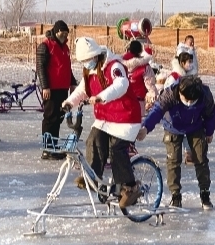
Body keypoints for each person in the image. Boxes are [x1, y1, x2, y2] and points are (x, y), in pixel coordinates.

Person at [62, 36, 142, 208]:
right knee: (93, 140)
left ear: (95, 55)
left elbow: (121, 84)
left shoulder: (114, 66)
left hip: (126, 117)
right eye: (82, 61)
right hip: (106, 118)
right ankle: (92, 177)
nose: (86, 63)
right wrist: (69, 103)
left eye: (87, 60)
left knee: (116, 149)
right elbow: (82, 90)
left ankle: (130, 187)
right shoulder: (89, 71)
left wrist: (101, 96)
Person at [137, 76, 215, 210]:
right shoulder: (170, 94)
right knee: (173, 161)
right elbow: (157, 111)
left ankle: (205, 193)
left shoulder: (204, 94)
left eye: (192, 101)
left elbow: (211, 113)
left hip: (196, 127)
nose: (188, 102)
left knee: (201, 159)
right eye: (186, 99)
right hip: (172, 127)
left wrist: (209, 132)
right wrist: (146, 128)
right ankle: (175, 195)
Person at [36, 20, 77, 160]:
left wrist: (72, 83)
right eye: (62, 32)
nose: (64, 35)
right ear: (56, 31)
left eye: (66, 33)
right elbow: (40, 68)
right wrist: (45, 86)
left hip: (62, 88)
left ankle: (53, 146)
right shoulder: (45, 46)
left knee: (58, 118)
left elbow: (67, 67)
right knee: (50, 118)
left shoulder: (65, 48)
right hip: (51, 89)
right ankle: (47, 149)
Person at [164, 51, 196, 164]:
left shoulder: (188, 77)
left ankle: (189, 153)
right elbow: (168, 93)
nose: (191, 64)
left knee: (187, 130)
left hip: (186, 109)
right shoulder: (174, 77)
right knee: (178, 132)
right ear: (182, 63)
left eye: (192, 62)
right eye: (189, 62)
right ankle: (175, 156)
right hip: (175, 110)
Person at [121, 40, 158, 117]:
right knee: (137, 122)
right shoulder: (144, 66)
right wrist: (153, 94)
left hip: (123, 98)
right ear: (140, 51)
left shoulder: (119, 63)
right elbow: (149, 82)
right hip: (138, 99)